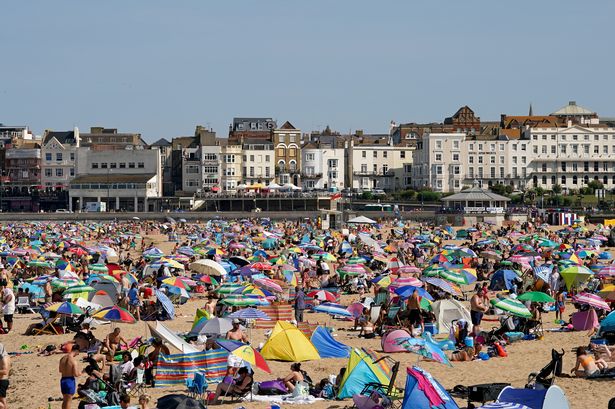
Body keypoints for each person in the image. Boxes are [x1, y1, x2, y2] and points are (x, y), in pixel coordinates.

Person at [59, 344, 81, 409]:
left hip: (63, 380)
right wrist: (82, 372)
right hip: (69, 381)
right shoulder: (73, 361)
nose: (78, 354)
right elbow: (76, 374)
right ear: (76, 351)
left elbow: (60, 370)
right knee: (69, 401)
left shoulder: (62, 358)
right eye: (78, 352)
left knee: (65, 400)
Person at [0, 344, 10, 409]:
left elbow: (5, 371)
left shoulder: (4, 358)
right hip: (3, 381)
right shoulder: (3, 357)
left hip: (2, 381)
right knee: (3, 402)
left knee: (2, 404)